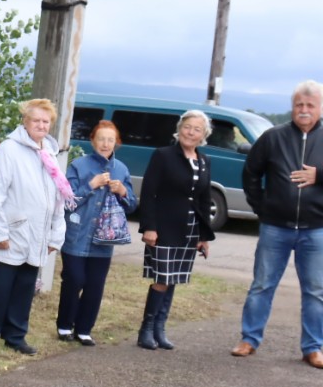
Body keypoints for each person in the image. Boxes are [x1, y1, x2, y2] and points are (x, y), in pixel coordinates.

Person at [231, 80, 323, 368]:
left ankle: (313, 348)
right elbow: (251, 173)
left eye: (310, 105)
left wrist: (318, 176)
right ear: (292, 107)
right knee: (262, 285)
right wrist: (262, 208)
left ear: (320, 108)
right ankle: (249, 339)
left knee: (316, 290)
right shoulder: (273, 137)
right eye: (299, 105)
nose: (304, 110)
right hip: (276, 227)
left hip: (316, 228)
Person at [0, 98, 69, 357]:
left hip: (38, 235)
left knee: (25, 288)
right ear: (25, 122)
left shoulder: (50, 153)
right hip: (12, 233)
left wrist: (55, 237)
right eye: (35, 120)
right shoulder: (9, 150)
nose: (41, 125)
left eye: (45, 121)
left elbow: (58, 198)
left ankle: (15, 335)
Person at [136, 110, 215, 350]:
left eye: (197, 129)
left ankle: (160, 329)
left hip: (189, 229)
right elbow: (149, 193)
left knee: (174, 279)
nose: (191, 132)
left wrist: (204, 236)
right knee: (162, 278)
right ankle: (146, 330)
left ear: (204, 135)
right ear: (179, 129)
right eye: (187, 127)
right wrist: (149, 227)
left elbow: (204, 198)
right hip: (164, 227)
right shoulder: (163, 155)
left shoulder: (204, 160)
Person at [56, 120, 138, 346]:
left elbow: (131, 205)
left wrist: (122, 191)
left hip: (104, 239)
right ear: (92, 140)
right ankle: (64, 325)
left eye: (110, 140)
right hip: (76, 233)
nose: (105, 144)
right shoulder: (78, 166)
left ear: (116, 143)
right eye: (101, 139)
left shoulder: (121, 169)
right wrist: (90, 185)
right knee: (74, 279)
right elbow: (66, 201)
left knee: (95, 284)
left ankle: (84, 329)